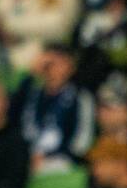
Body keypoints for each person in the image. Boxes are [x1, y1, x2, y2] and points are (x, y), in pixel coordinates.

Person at [12, 43, 96, 172]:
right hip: (25, 157)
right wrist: (31, 74)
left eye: (60, 63)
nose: (53, 69)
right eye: (49, 64)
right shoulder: (30, 93)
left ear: (71, 67)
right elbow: (10, 115)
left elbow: (82, 141)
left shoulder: (81, 97)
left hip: (62, 160)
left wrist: (50, 156)